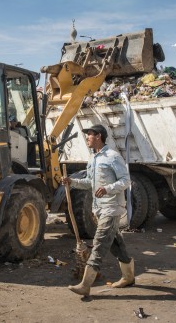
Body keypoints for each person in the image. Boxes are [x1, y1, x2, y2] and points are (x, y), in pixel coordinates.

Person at [62, 124, 134, 297]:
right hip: (99, 210)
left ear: (99, 136)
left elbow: (126, 181)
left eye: (90, 135)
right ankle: (128, 277)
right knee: (117, 245)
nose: (87, 137)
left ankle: (85, 285)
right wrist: (72, 181)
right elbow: (90, 182)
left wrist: (108, 189)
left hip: (111, 208)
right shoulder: (93, 158)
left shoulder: (112, 157)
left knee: (99, 244)